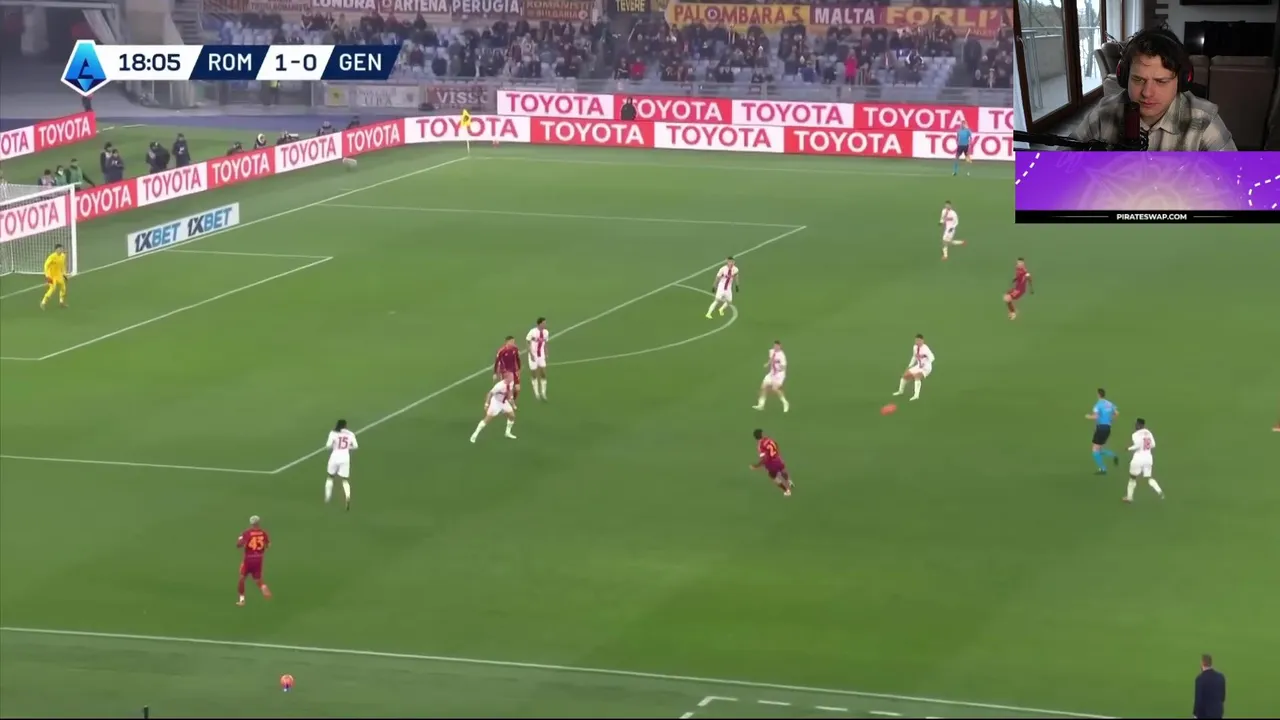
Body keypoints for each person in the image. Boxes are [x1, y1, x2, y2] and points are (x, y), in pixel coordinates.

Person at [1073, 28, 1235, 151]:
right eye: (1138, 79)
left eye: (1161, 81)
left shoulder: (1204, 121)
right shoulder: (1104, 113)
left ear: (1182, 81)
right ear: (1124, 76)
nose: (1147, 93)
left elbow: (1234, 177)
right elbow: (1063, 162)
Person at [1193, 654, 1226, 719]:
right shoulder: (1220, 677)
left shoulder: (1200, 679)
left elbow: (1198, 699)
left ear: (1202, 663)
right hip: (1217, 713)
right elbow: (1222, 697)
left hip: (1204, 714)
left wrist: (1195, 714)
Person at [41, 243, 68, 310]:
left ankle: (61, 302)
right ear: (56, 250)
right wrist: (47, 276)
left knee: (63, 287)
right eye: (59, 249)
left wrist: (64, 274)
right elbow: (46, 265)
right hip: (51, 275)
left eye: (61, 248)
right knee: (53, 288)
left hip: (58, 275)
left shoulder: (63, 256)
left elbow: (62, 266)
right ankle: (43, 302)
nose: (61, 250)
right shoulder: (52, 257)